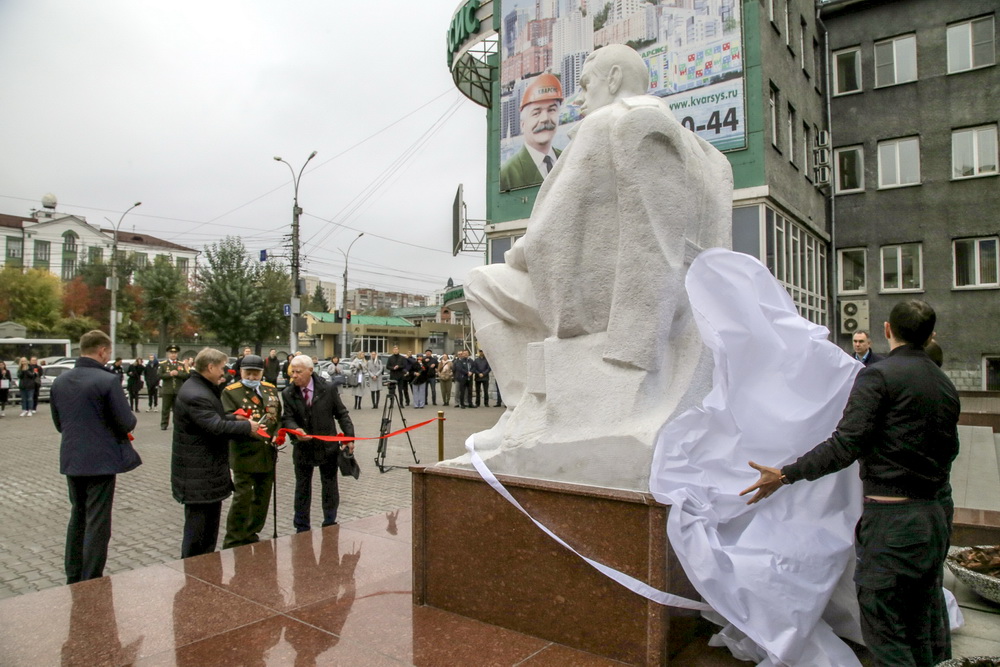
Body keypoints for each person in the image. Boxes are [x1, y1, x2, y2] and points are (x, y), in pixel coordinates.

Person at [740, 300, 960, 667]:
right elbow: (948, 450)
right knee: (924, 622)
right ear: (929, 335)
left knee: (887, 628)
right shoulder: (944, 384)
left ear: (888, 330)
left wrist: (785, 474)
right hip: (935, 518)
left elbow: (845, 444)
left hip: (894, 525)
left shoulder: (879, 376)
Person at [51, 330, 140, 583]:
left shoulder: (60, 381)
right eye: (108, 352)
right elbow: (126, 421)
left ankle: (73, 572)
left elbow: (59, 424)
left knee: (77, 516)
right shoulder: (107, 380)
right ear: (102, 350)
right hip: (101, 460)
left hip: (72, 458)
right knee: (98, 522)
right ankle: (91, 577)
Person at [171, 348, 260, 558]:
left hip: (204, 473)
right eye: (221, 368)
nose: (224, 372)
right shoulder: (196, 394)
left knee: (208, 532)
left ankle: (205, 572)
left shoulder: (201, 388)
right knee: (198, 534)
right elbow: (215, 427)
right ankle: (195, 576)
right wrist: (248, 427)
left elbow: (212, 419)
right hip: (198, 475)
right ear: (210, 367)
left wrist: (234, 419)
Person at [281, 355, 355, 532]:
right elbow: (287, 418)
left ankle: (330, 521)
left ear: (310, 371)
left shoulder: (327, 389)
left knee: (329, 486)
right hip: (303, 448)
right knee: (302, 488)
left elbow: (342, 413)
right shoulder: (288, 393)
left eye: (299, 372)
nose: (294, 376)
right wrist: (295, 430)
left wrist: (349, 437)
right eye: (292, 372)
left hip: (327, 447)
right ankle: (301, 526)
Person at [221, 354, 281, 549]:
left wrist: (277, 433)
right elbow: (227, 418)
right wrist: (246, 424)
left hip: (266, 452)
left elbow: (277, 417)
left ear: (262, 373)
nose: (253, 377)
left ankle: (251, 532)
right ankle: (234, 538)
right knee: (242, 498)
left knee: (262, 497)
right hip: (244, 452)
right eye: (249, 373)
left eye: (256, 374)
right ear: (241, 372)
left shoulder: (270, 390)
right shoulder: (231, 392)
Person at [500, 73, 564, 191]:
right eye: (536, 113)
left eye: (551, 110)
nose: (545, 119)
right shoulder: (506, 175)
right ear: (523, 125)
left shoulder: (568, 160)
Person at [159, 344, 189, 430]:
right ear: (168, 354)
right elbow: (159, 375)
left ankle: (177, 424)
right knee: (165, 409)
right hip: (167, 390)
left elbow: (186, 375)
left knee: (177, 409)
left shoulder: (181, 364)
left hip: (178, 390)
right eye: (171, 353)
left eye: (175, 353)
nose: (173, 354)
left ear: (177, 354)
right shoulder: (163, 364)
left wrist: (178, 374)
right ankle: (164, 424)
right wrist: (169, 374)